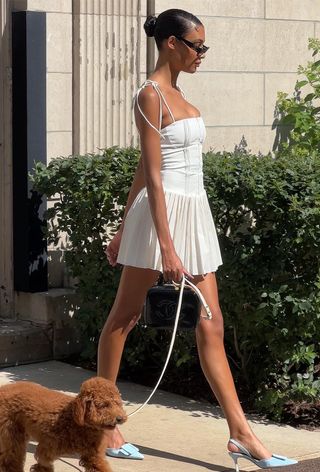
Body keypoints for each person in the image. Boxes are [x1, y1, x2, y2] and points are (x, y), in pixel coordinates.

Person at [98, 8, 298, 470]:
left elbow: (141, 169)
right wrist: (158, 241)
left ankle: (241, 434)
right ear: (171, 43)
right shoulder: (149, 96)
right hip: (163, 222)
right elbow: (150, 173)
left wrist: (121, 223)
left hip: (193, 214)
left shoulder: (178, 95)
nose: (203, 54)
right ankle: (105, 422)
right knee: (123, 320)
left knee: (211, 325)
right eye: (197, 46)